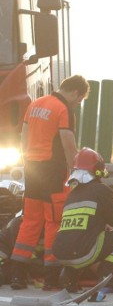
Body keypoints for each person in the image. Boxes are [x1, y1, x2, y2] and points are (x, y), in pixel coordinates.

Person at [8, 74, 89, 290]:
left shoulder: (35, 104)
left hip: (33, 170)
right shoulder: (64, 109)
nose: (77, 103)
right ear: (74, 92)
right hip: (53, 172)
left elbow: (23, 138)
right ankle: (51, 277)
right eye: (79, 100)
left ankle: (16, 273)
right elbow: (68, 144)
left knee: (30, 221)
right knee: (54, 221)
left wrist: (28, 164)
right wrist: (77, 171)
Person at [53, 148, 113, 292]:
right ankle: (108, 280)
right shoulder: (101, 190)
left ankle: (68, 277)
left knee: (85, 239)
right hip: (83, 253)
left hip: (61, 254)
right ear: (98, 169)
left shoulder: (72, 195)